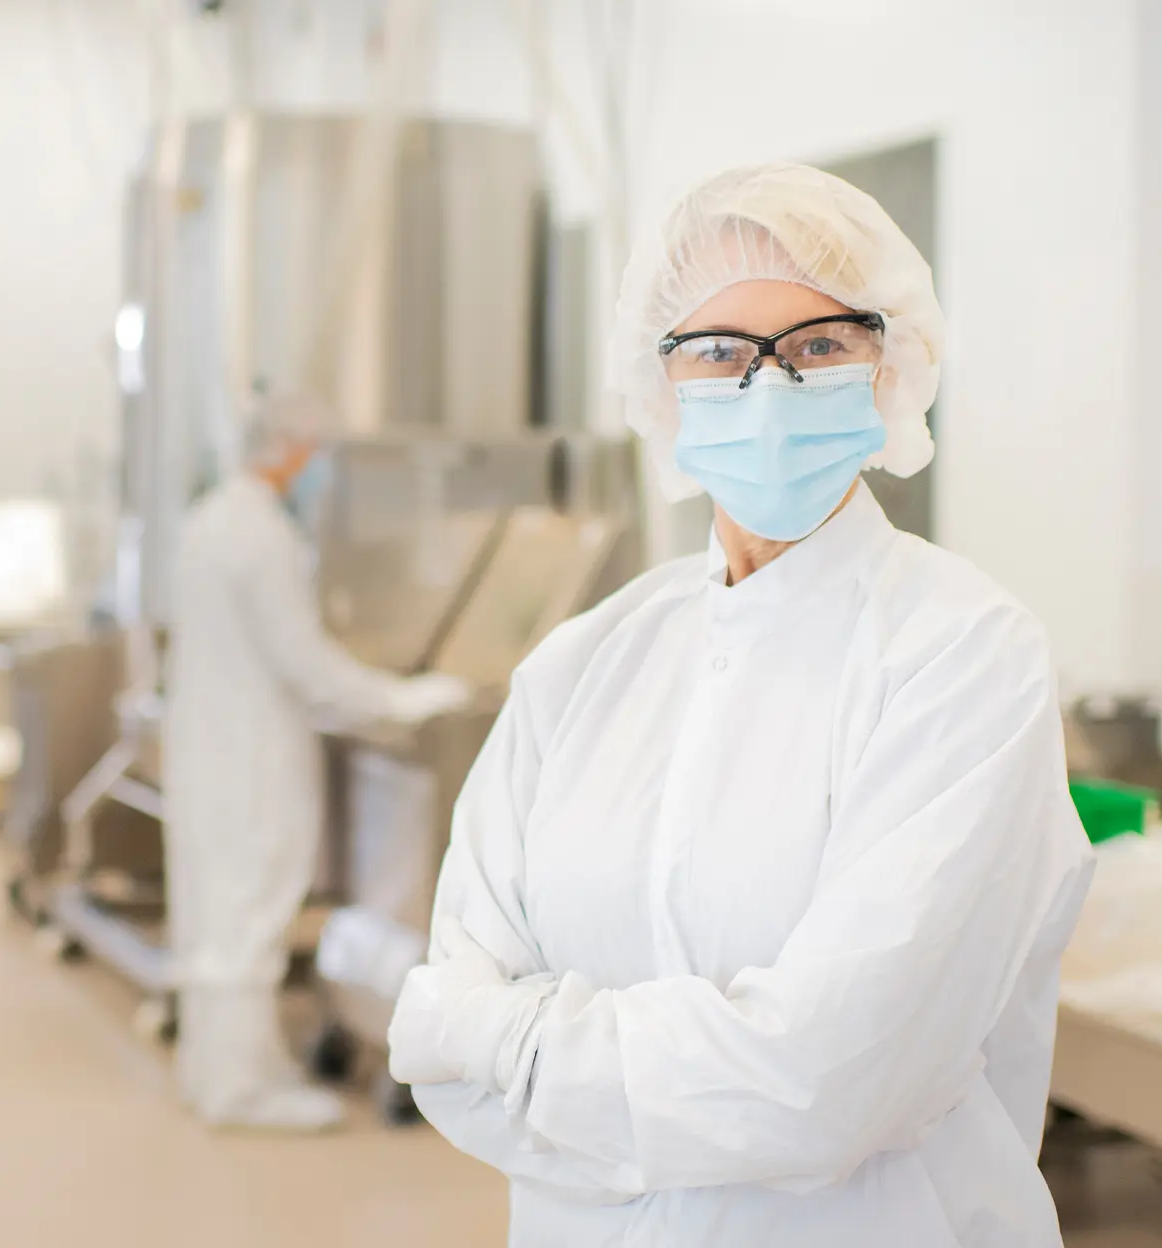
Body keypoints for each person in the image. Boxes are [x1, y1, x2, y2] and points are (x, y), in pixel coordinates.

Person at [386, 163, 1097, 1244]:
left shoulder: (964, 654)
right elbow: (449, 1067)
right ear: (660, 387)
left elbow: (822, 1088)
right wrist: (653, 1074)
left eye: (816, 346)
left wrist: (508, 1040)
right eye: (719, 352)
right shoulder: (582, 666)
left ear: (889, 362)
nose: (767, 389)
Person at [163, 398, 471, 1132]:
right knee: (248, 922)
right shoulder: (262, 537)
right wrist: (403, 699)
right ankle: (242, 1091)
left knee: (218, 922)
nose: (319, 468)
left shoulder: (211, 521)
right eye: (315, 452)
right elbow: (306, 664)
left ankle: (218, 1072)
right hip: (250, 758)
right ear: (287, 451)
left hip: (213, 750)